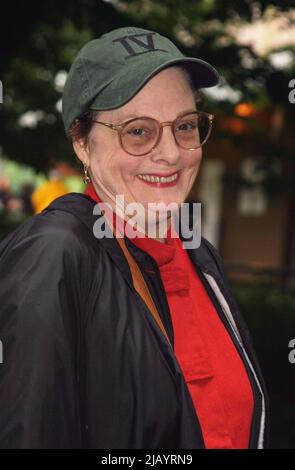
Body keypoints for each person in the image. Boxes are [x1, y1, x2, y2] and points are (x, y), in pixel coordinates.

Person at [0, 26, 269, 449]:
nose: (171, 153)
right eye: (138, 131)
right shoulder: (55, 255)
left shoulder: (201, 257)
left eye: (184, 125)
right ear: (81, 142)